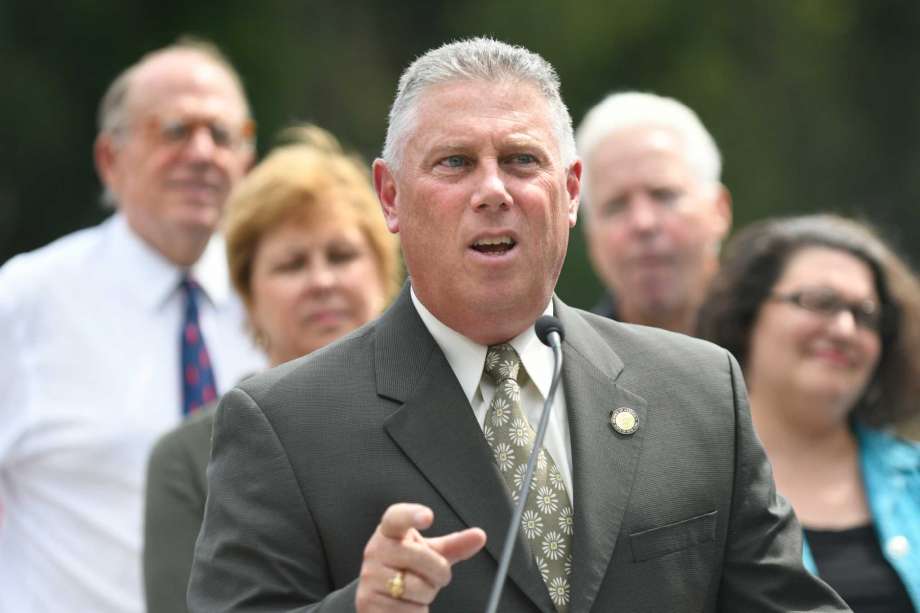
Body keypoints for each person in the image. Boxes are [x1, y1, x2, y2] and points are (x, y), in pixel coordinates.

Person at [188, 38, 849, 612]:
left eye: (522, 160)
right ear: (390, 196)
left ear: (571, 192)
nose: (494, 190)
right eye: (454, 162)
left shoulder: (701, 390)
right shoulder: (283, 424)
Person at [0, 40, 265, 612]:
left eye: (223, 135)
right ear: (109, 159)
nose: (202, 153)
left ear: (247, 159)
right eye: (173, 130)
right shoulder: (22, 303)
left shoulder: (279, 299)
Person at [143, 124, 401, 613]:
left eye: (342, 255)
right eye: (291, 264)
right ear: (248, 297)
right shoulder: (186, 459)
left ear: (385, 272)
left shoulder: (447, 409)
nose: (321, 281)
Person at [698, 214, 920, 611]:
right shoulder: (683, 487)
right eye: (820, 302)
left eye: (866, 316)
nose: (845, 329)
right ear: (746, 317)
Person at [575, 92, 731, 334]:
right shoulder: (561, 367)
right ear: (590, 235)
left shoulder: (783, 353)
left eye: (664, 195)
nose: (643, 223)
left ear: (719, 210)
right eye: (615, 205)